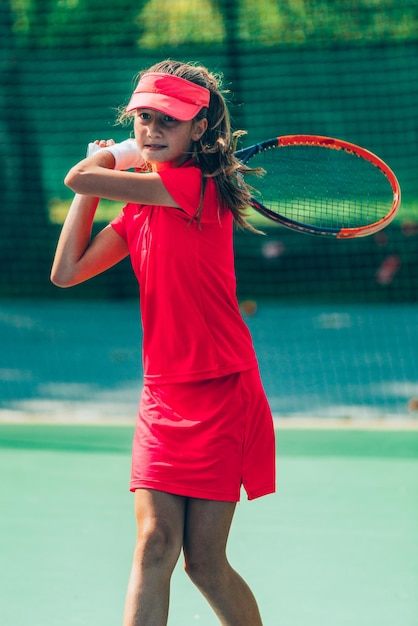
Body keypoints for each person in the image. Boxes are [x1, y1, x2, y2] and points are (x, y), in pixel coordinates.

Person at [51, 59, 276, 626]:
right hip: (163, 397)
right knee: (154, 545)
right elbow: (66, 271)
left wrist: (114, 154)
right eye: (143, 118)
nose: (151, 130)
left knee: (204, 563)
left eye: (166, 122)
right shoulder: (143, 208)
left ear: (200, 128)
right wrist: (111, 169)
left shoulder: (197, 188)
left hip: (223, 390)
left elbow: (79, 176)